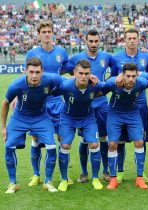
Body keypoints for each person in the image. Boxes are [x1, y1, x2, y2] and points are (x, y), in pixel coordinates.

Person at [1, 57, 63, 193]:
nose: (34, 76)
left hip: (41, 117)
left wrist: (88, 80)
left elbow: (69, 83)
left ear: (42, 72)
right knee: (8, 147)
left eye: (37, 72)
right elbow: (5, 103)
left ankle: (48, 181)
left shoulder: (50, 79)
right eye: (31, 72)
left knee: (52, 146)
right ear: (26, 72)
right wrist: (3, 128)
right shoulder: (16, 84)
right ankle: (12, 183)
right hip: (19, 118)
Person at [64, 29, 115, 183]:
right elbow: (63, 70)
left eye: (96, 41)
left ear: (99, 41)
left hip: (102, 104)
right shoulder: (77, 58)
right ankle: (84, 173)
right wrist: (76, 79)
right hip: (84, 105)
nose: (93, 44)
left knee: (104, 138)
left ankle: (106, 171)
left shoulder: (106, 57)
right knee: (85, 140)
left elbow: (118, 69)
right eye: (90, 41)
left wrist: (105, 82)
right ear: (85, 41)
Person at [25, 20, 69, 187]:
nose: (46, 34)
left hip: (57, 101)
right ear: (39, 34)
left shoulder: (61, 52)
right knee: (36, 138)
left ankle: (64, 176)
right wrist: (16, 97)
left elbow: (69, 69)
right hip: (39, 102)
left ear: (52, 33)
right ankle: (36, 175)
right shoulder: (32, 53)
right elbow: (26, 77)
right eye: (43, 32)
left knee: (61, 137)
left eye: (49, 31)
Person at [111, 28, 148, 183]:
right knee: (120, 140)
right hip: (122, 104)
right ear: (124, 40)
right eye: (128, 38)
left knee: (141, 140)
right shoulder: (116, 58)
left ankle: (140, 173)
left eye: (134, 38)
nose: (131, 40)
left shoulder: (146, 57)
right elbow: (113, 79)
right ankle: (120, 172)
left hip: (140, 104)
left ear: (138, 39)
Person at [55, 59, 103, 191]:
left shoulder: (95, 85)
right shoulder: (65, 86)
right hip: (68, 117)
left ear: (90, 74)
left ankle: (95, 178)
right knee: (65, 145)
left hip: (87, 117)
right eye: (80, 73)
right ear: (75, 73)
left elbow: (109, 87)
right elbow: (47, 90)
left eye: (86, 73)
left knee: (94, 144)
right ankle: (64, 179)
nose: (83, 76)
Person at [101, 62, 148, 190]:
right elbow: (101, 90)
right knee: (112, 144)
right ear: (123, 75)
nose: (131, 79)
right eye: (128, 76)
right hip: (115, 114)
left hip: (133, 113)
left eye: (133, 76)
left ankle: (139, 178)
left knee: (139, 142)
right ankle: (113, 179)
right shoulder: (113, 82)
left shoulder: (142, 83)